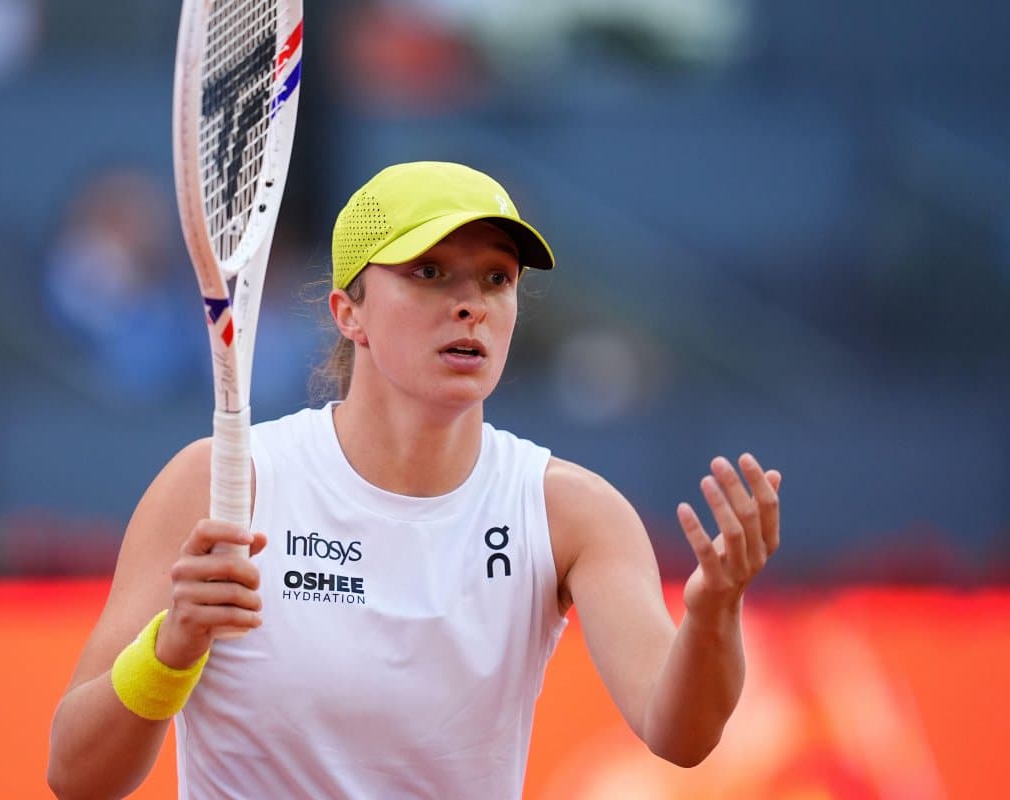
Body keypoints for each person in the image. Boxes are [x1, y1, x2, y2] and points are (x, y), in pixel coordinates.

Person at [47, 161, 782, 799]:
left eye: (497, 278)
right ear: (349, 313)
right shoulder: (221, 483)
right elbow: (75, 776)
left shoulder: (571, 511)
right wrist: (170, 650)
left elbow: (680, 735)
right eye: (428, 273)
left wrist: (714, 615)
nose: (471, 304)